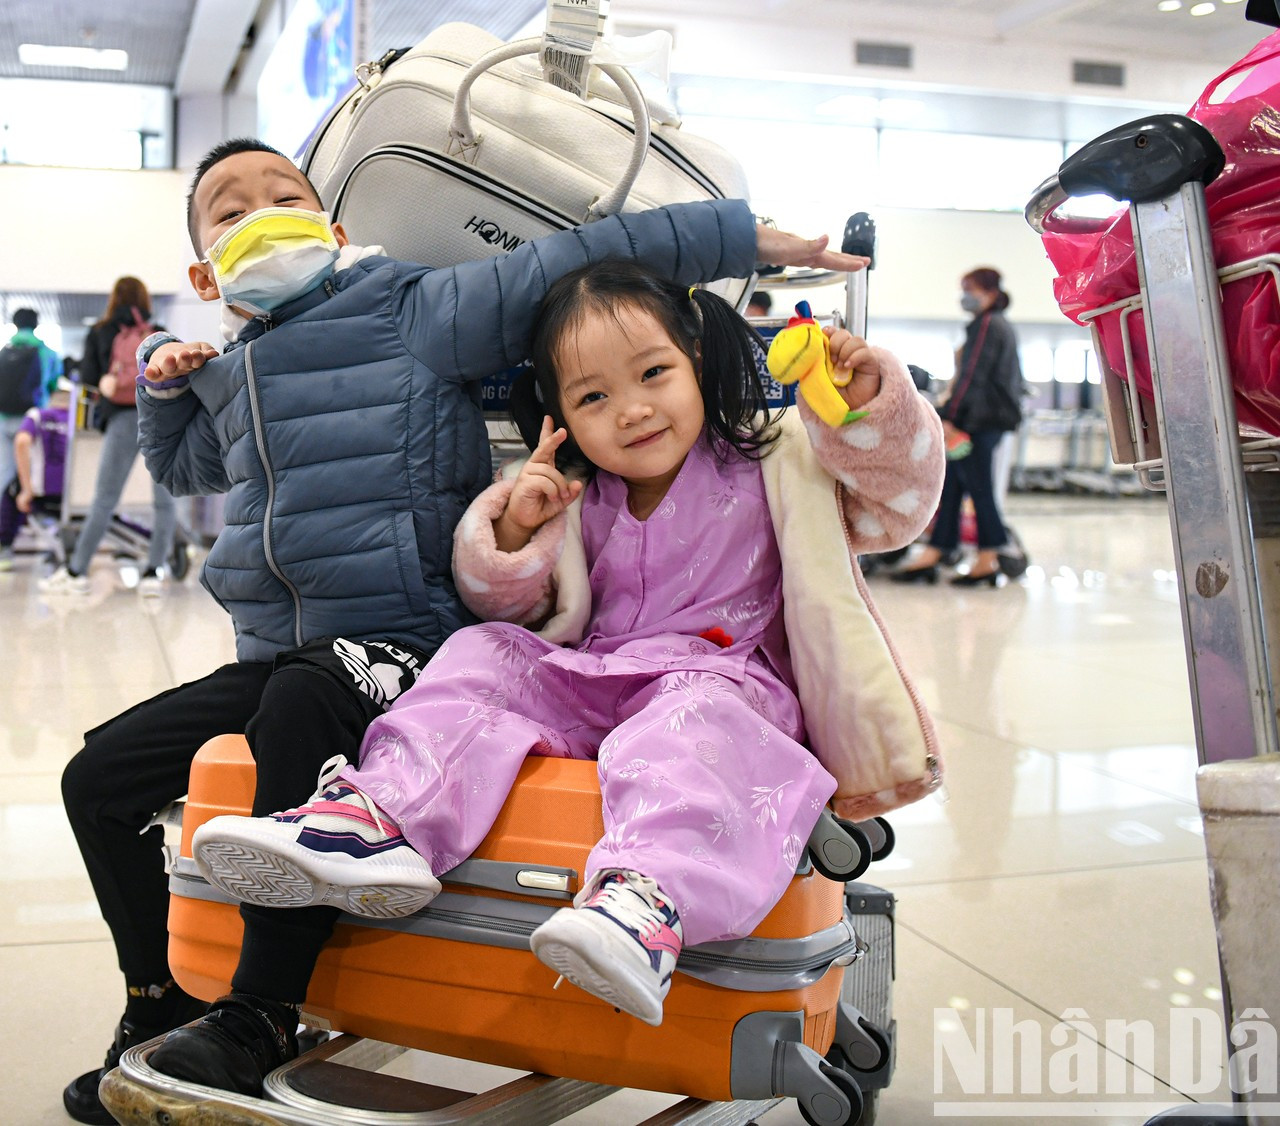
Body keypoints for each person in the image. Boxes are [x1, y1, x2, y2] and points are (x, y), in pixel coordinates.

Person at [55, 137, 862, 1120]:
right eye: (229, 209)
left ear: (332, 228)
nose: (261, 211)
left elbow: (574, 259)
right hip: (276, 654)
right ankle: (157, 1000)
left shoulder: (411, 308)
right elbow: (183, 467)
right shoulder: (231, 369)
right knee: (97, 777)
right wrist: (165, 377)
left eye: (284, 194)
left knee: (301, 706)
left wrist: (735, 236)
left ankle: (260, 1012)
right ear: (203, 269)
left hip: (400, 643)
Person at [191, 261, 939, 1028]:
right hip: (597, 675)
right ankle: (378, 819)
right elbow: (512, 601)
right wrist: (516, 528)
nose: (633, 411)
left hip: (723, 682)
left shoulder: (773, 458)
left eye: (654, 373)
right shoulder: (578, 493)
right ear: (561, 418)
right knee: (485, 653)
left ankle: (645, 905)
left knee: (691, 729)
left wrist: (868, 406)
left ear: (700, 362)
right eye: (593, 397)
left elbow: (896, 507)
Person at [40, 277, 177, 597]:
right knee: (164, 500)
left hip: (122, 419)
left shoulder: (101, 331)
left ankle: (76, 572)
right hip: (159, 418)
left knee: (104, 498)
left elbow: (88, 379)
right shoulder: (156, 330)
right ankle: (154, 572)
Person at [893, 266, 1024, 587]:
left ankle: (987, 559)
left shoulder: (987, 326)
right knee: (950, 485)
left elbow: (972, 377)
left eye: (970, 288)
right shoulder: (1000, 326)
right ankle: (938, 550)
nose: (965, 296)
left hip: (978, 422)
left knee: (979, 489)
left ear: (990, 293)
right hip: (983, 419)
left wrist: (948, 415)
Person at [0, 307, 62, 538]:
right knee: (31, 474)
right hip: (31, 421)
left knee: (3, 473)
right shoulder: (45, 352)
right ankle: (29, 522)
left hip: (3, 419)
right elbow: (52, 385)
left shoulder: (3, 350)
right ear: (36, 324)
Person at [0, 384, 72, 571]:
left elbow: (22, 441)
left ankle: (4, 548)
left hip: (43, 494)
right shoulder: (79, 419)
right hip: (75, 495)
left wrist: (27, 489)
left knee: (11, 492)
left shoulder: (38, 415)